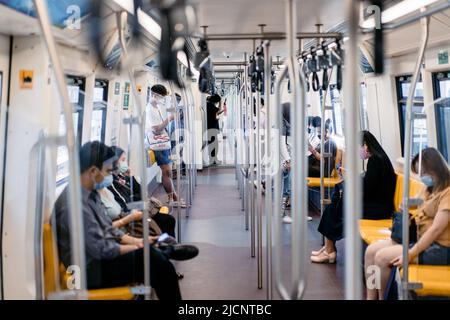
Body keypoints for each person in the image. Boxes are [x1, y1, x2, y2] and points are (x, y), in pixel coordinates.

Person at [52, 141, 182, 299]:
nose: (110, 176)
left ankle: (160, 250)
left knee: (154, 258)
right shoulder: (73, 206)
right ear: (93, 171)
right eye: (107, 171)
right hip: (87, 271)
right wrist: (140, 247)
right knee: (153, 262)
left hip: (97, 259)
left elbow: (108, 229)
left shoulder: (89, 194)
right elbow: (101, 249)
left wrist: (141, 242)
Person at [364, 147, 450, 300]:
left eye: (424, 172)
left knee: (381, 258)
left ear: (435, 168)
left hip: (439, 247)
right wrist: (406, 205)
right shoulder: (430, 188)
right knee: (370, 252)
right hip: (417, 237)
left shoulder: (447, 193)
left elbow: (436, 230)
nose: (422, 176)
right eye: (420, 173)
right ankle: (371, 298)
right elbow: (416, 204)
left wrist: (410, 254)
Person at [311, 131, 397, 263]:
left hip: (378, 209)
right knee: (335, 206)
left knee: (335, 207)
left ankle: (329, 250)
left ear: (365, 145)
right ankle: (329, 248)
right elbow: (370, 184)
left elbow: (367, 189)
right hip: (377, 204)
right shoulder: (380, 158)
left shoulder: (375, 160)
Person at [108, 146, 176, 237]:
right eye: (123, 160)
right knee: (168, 221)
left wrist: (130, 177)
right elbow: (125, 203)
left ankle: (167, 245)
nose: (125, 163)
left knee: (168, 220)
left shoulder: (121, 177)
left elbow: (142, 193)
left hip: (139, 208)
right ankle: (165, 246)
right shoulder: (112, 181)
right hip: (133, 214)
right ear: (114, 162)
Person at [146, 84, 186, 207]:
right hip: (159, 144)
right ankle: (173, 198)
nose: (162, 99)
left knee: (167, 172)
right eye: (161, 97)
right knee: (166, 172)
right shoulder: (150, 109)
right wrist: (170, 119)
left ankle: (173, 198)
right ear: (154, 95)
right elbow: (157, 129)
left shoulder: (156, 107)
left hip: (163, 143)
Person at [206, 93, 223, 165]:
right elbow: (219, 110)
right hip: (212, 127)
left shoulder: (208, 105)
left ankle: (214, 159)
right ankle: (214, 160)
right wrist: (221, 102)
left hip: (211, 127)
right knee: (214, 144)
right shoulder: (210, 106)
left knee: (213, 143)